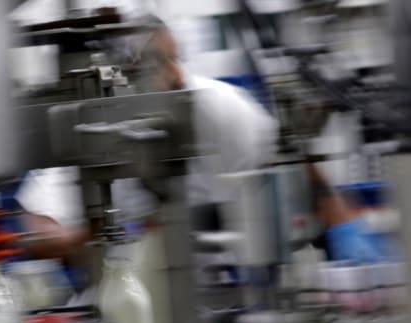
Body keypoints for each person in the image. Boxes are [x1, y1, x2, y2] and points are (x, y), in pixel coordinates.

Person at [17, 17, 280, 262]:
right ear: (120, 77)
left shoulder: (219, 106)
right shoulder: (96, 129)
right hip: (135, 274)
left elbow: (278, 145)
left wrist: (320, 191)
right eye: (158, 64)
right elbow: (38, 233)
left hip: (218, 270)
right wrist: (105, 232)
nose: (178, 75)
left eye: (176, 58)